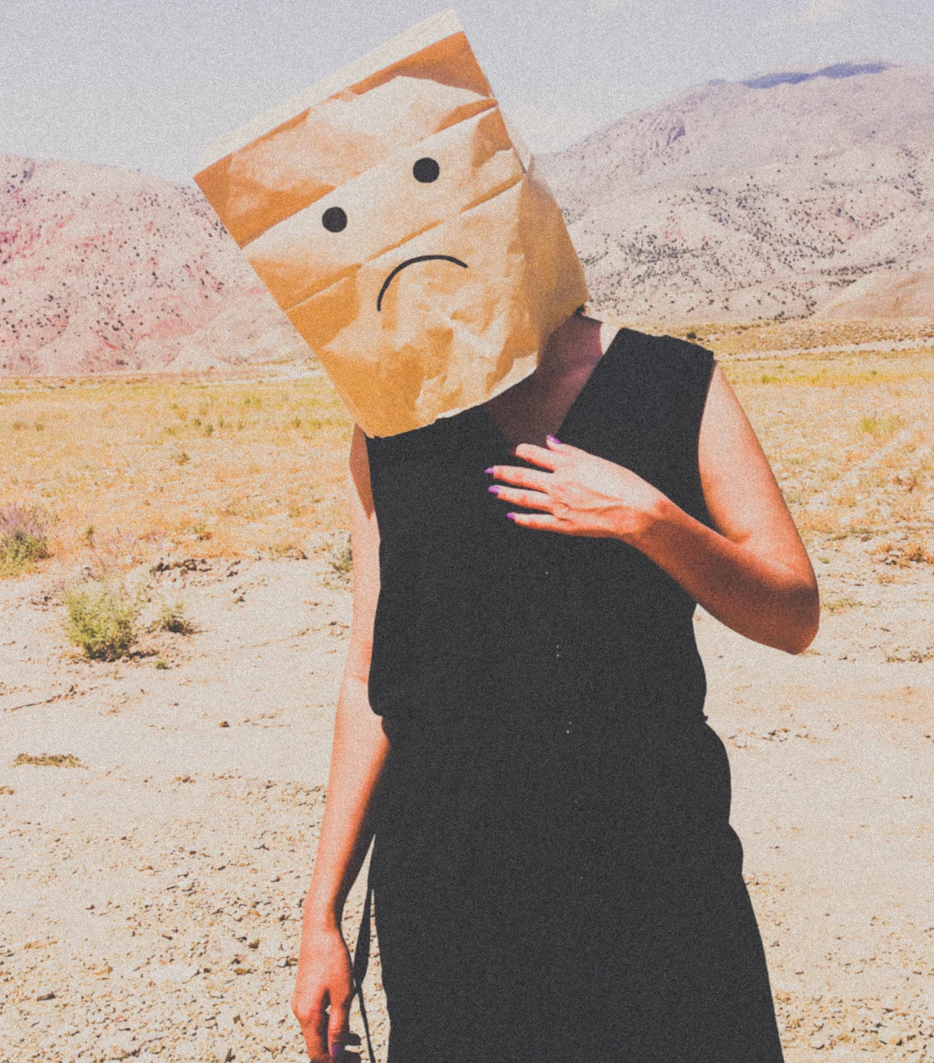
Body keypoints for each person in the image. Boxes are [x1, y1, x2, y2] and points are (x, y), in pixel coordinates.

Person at [291, 307, 819, 1062]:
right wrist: (322, 918)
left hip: (656, 873)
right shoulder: (392, 420)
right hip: (452, 889)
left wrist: (649, 519)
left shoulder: (674, 381)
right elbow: (369, 675)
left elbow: (793, 613)